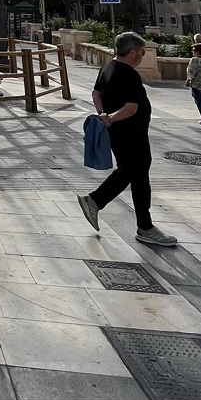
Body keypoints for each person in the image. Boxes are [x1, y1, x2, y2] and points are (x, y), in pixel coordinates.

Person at [76, 32, 178, 247]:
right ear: (132, 52)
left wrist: (104, 114)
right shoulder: (129, 74)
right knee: (135, 173)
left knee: (132, 173)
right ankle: (140, 225)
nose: (142, 55)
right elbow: (131, 108)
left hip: (119, 132)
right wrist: (110, 118)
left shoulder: (107, 67)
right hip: (131, 133)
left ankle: (139, 223)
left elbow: (96, 94)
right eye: (141, 52)